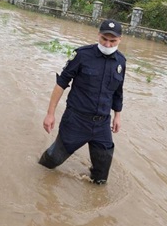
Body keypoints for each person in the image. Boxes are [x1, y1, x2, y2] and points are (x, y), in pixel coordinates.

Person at [38, 19, 126, 185]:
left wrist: (117, 116)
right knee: (51, 161)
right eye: (104, 39)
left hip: (102, 124)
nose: (107, 44)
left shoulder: (121, 62)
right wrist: (50, 114)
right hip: (76, 121)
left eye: (112, 41)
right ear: (98, 35)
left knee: (101, 177)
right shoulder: (82, 55)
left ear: (120, 40)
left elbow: (118, 91)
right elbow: (61, 83)